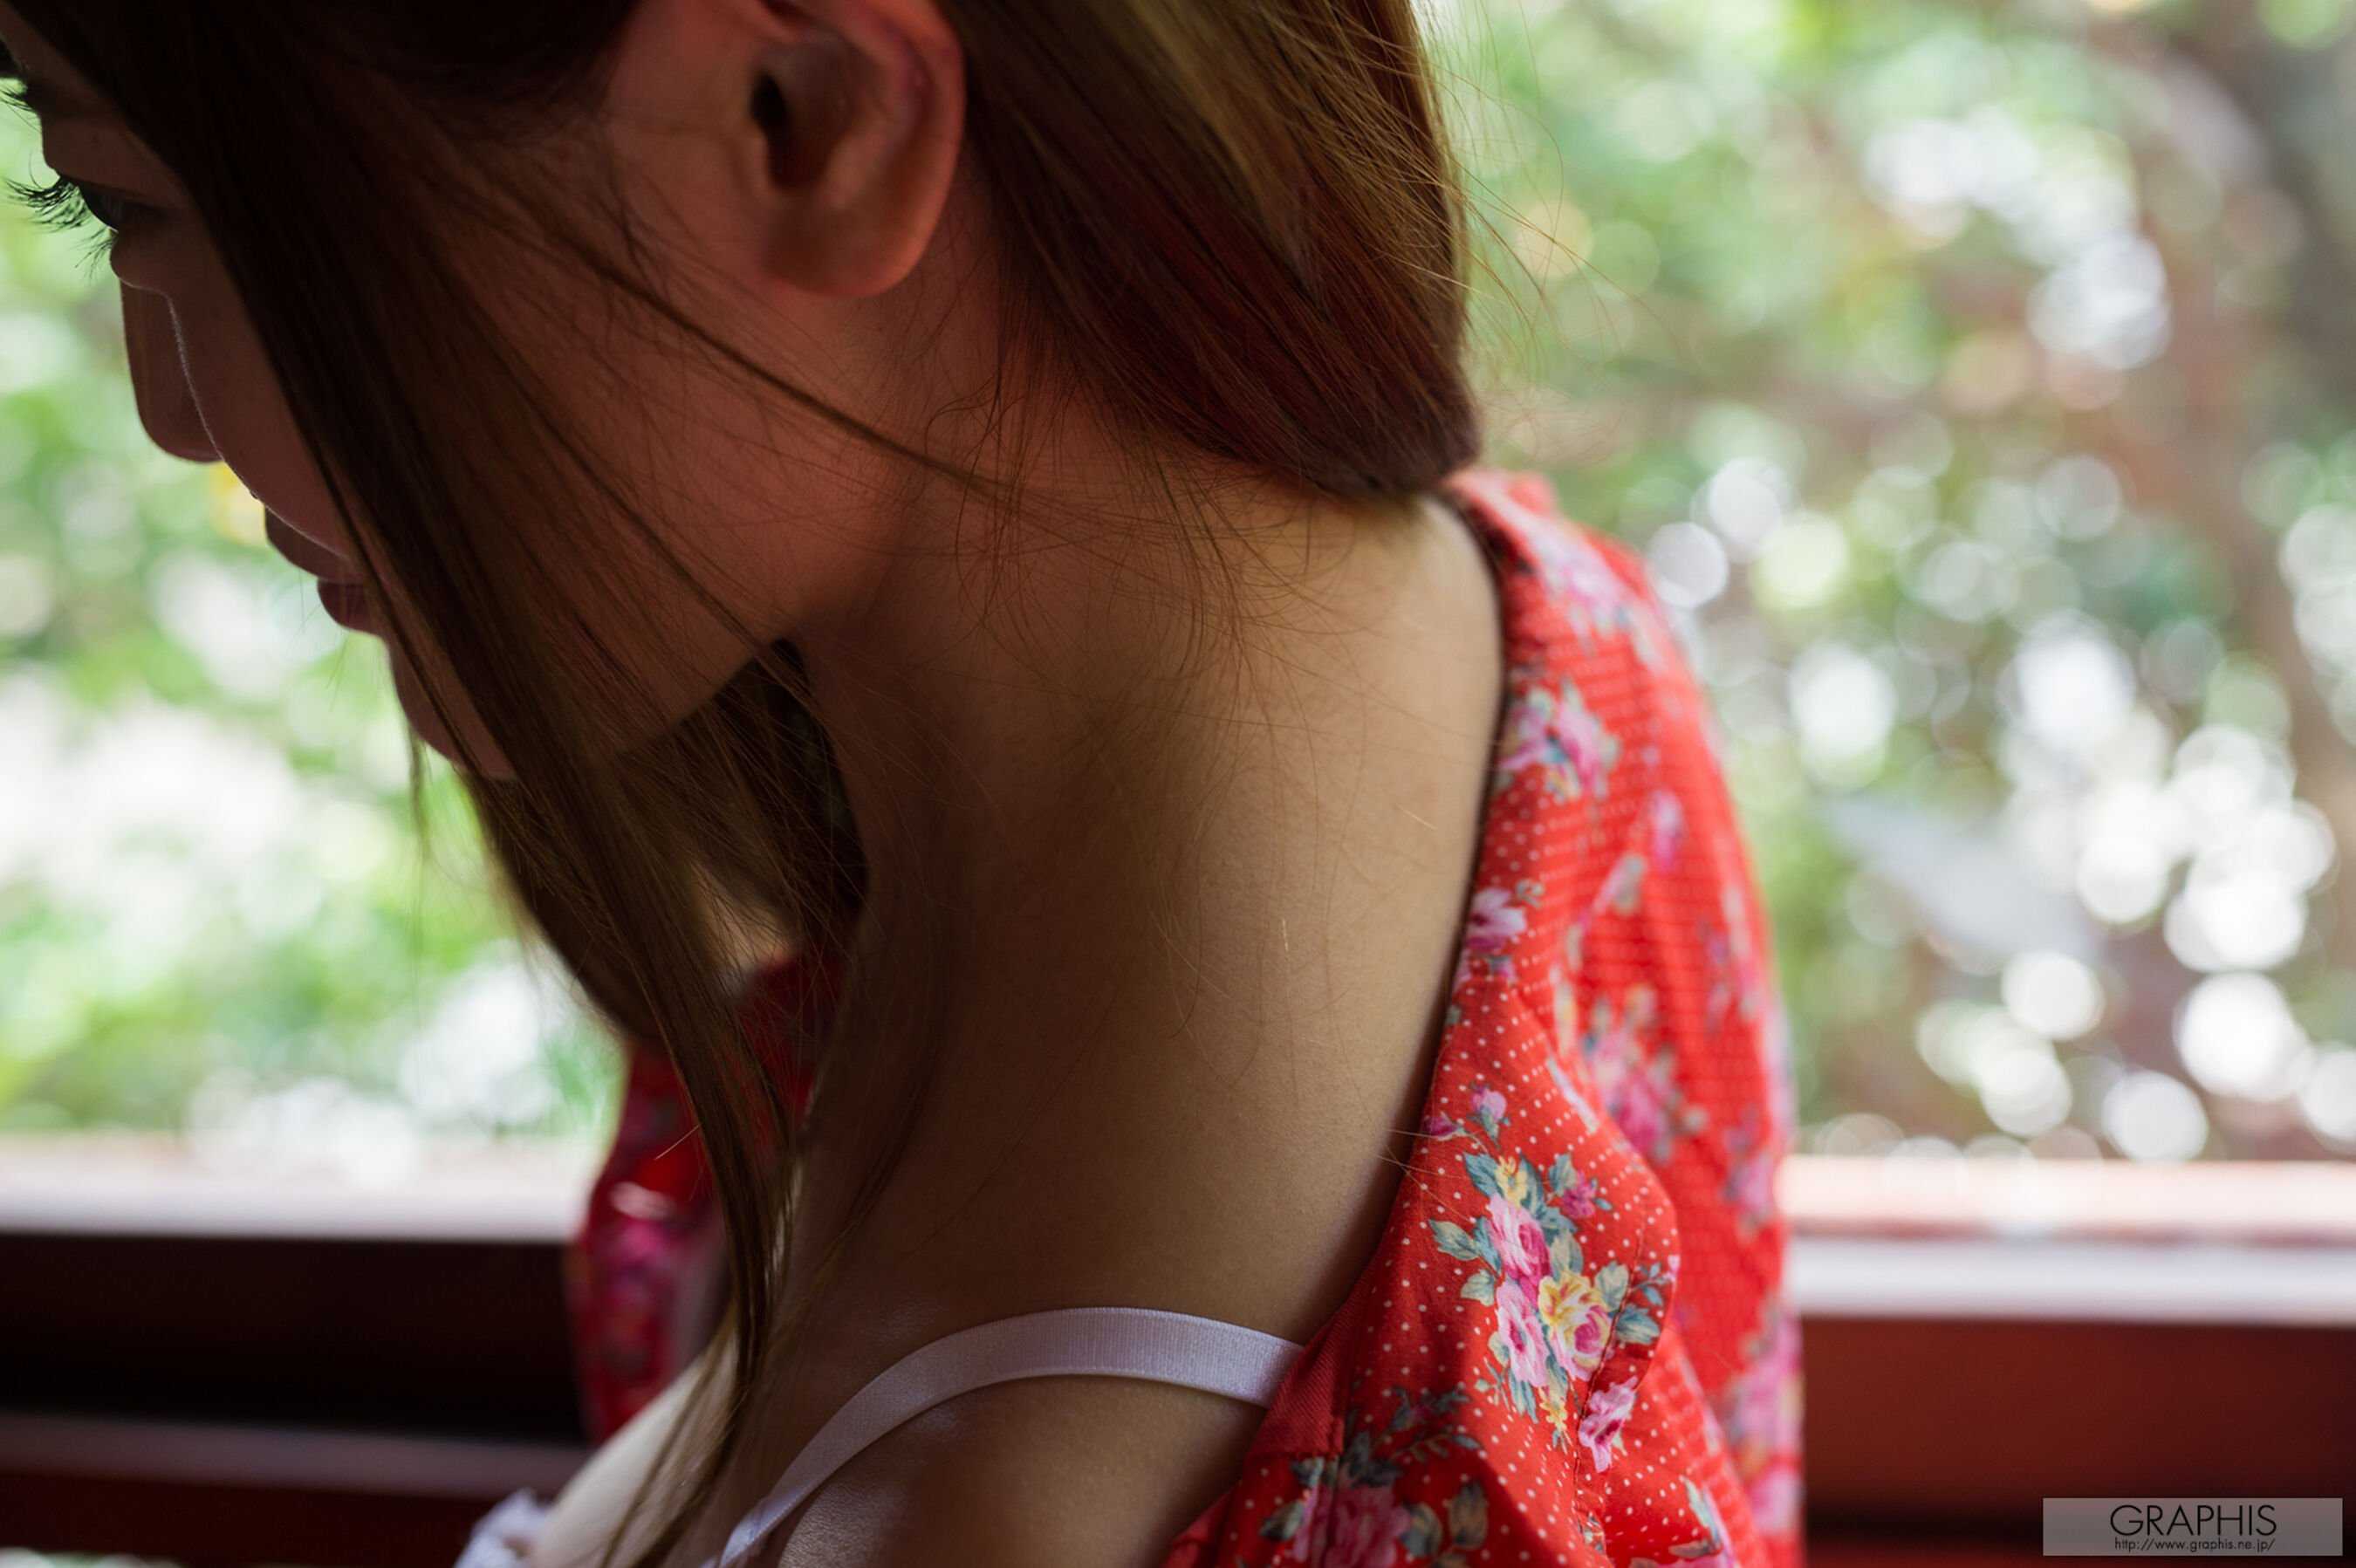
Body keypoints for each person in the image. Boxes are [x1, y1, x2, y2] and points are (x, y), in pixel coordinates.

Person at [0, 3, 1802, 1566]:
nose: (168, 410)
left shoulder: (1034, 1498)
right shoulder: (1535, 654)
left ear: (807, 118)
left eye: (137, 204)